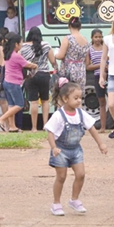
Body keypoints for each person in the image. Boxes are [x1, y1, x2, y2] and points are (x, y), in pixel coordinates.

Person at [46, 79, 108, 216]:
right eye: (76, 98)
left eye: (80, 98)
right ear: (65, 99)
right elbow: (50, 132)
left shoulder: (81, 113)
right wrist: (53, 147)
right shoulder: (58, 115)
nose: (79, 101)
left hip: (75, 150)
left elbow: (91, 128)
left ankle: (74, 200)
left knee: (81, 174)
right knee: (61, 177)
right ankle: (56, 203)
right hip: (61, 150)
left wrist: (101, 144)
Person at [0, 32, 37, 133]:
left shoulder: (7, 54)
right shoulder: (16, 55)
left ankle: (12, 126)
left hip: (7, 82)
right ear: (16, 44)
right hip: (14, 83)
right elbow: (27, 64)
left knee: (11, 105)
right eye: (21, 42)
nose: (22, 44)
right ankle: (2, 118)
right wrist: (35, 66)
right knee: (19, 104)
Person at [20, 27, 58, 132]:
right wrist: (56, 69)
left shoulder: (23, 47)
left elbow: (20, 61)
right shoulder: (46, 45)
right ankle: (45, 125)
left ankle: (34, 127)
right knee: (45, 101)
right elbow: (53, 61)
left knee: (34, 102)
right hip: (44, 75)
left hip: (30, 75)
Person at [55, 17, 89, 91]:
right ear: (80, 27)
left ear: (69, 26)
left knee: (68, 93)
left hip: (69, 70)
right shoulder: (85, 40)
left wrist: (56, 54)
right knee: (78, 95)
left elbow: (60, 55)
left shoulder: (68, 38)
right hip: (81, 70)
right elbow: (87, 60)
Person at [86, 28, 107, 133]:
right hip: (98, 77)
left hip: (109, 75)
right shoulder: (89, 50)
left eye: (100, 37)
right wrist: (101, 65)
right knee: (102, 102)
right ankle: (103, 127)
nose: (98, 39)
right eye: (96, 37)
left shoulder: (106, 48)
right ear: (92, 38)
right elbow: (87, 66)